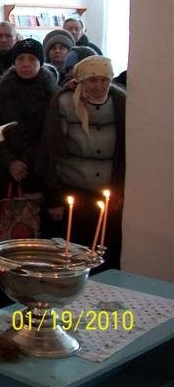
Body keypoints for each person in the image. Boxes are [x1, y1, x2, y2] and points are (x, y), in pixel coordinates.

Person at [0, 40, 58, 282]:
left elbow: (51, 133)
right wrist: (9, 161)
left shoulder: (52, 92)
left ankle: (34, 284)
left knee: (35, 236)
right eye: (20, 59)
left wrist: (26, 160)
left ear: (40, 62)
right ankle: (5, 286)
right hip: (2, 172)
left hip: (38, 172)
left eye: (31, 59)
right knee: (5, 236)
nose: (25, 64)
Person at [39, 56, 125, 270]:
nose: (99, 86)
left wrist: (120, 189)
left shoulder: (120, 102)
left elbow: (124, 153)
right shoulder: (65, 102)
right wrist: (54, 198)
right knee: (73, 255)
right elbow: (51, 150)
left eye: (104, 80)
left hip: (107, 191)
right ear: (82, 81)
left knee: (105, 253)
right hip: (74, 187)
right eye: (92, 80)